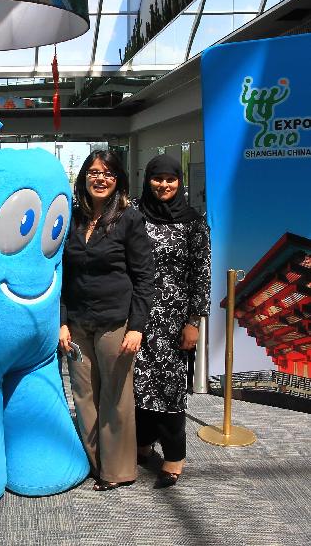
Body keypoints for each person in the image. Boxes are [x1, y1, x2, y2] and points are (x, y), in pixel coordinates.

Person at [59, 150, 155, 491]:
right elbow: (62, 274)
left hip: (116, 322)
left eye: (108, 174)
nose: (100, 179)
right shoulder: (72, 218)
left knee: (115, 396)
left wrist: (137, 327)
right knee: (83, 395)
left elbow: (145, 277)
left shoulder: (129, 219)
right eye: (94, 172)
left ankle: (116, 471)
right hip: (78, 322)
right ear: (84, 177)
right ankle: (95, 463)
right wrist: (62, 321)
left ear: (118, 181)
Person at [134, 154, 211, 488]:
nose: (163, 185)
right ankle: (141, 443)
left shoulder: (193, 222)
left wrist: (194, 321)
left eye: (170, 179)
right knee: (137, 385)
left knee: (168, 389)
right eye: (157, 178)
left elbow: (202, 274)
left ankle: (174, 456)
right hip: (137, 315)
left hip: (175, 322)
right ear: (147, 179)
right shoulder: (134, 213)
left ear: (180, 181)